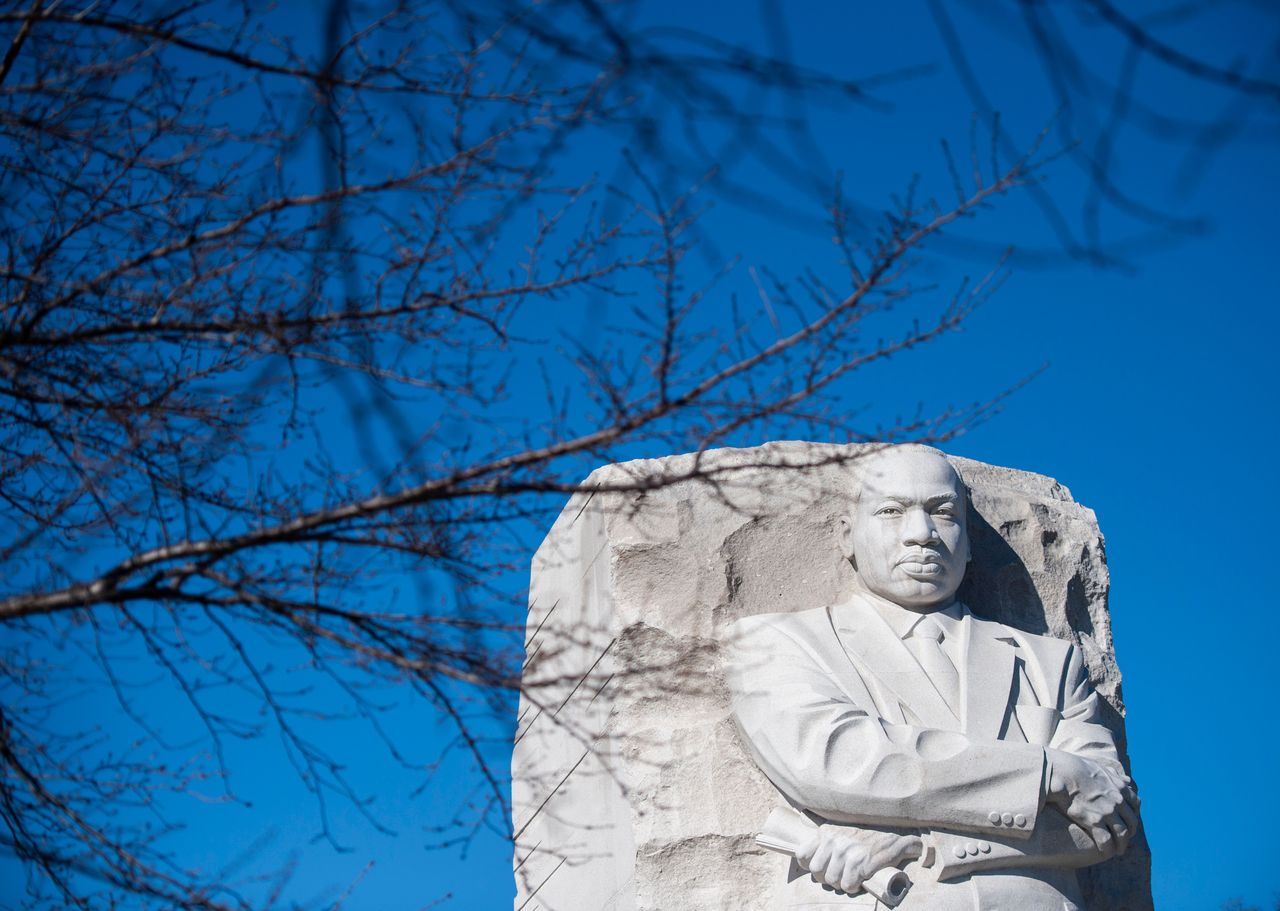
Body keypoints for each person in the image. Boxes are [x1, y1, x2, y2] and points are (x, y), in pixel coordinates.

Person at [726, 445, 1140, 910]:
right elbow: (839, 761)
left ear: (968, 542)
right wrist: (1048, 772)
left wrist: (924, 846)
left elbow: (1105, 822)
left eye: (943, 513)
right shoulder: (780, 640)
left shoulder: (1051, 663)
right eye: (891, 511)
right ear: (847, 536)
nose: (921, 534)